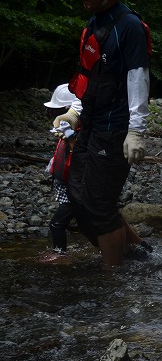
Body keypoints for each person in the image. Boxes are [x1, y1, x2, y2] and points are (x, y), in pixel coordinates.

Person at [54, 0, 151, 266]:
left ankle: (114, 278)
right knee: (79, 197)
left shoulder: (129, 27)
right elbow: (91, 81)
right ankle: (139, 253)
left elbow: (138, 79)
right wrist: (74, 113)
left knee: (97, 205)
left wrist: (136, 131)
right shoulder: (94, 26)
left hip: (117, 129)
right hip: (93, 125)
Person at [44, 84, 79, 254]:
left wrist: (70, 137)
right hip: (70, 188)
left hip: (76, 191)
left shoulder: (79, 131)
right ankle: (137, 246)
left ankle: (60, 255)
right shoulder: (66, 130)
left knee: (56, 224)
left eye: (56, 112)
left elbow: (79, 159)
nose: (53, 116)